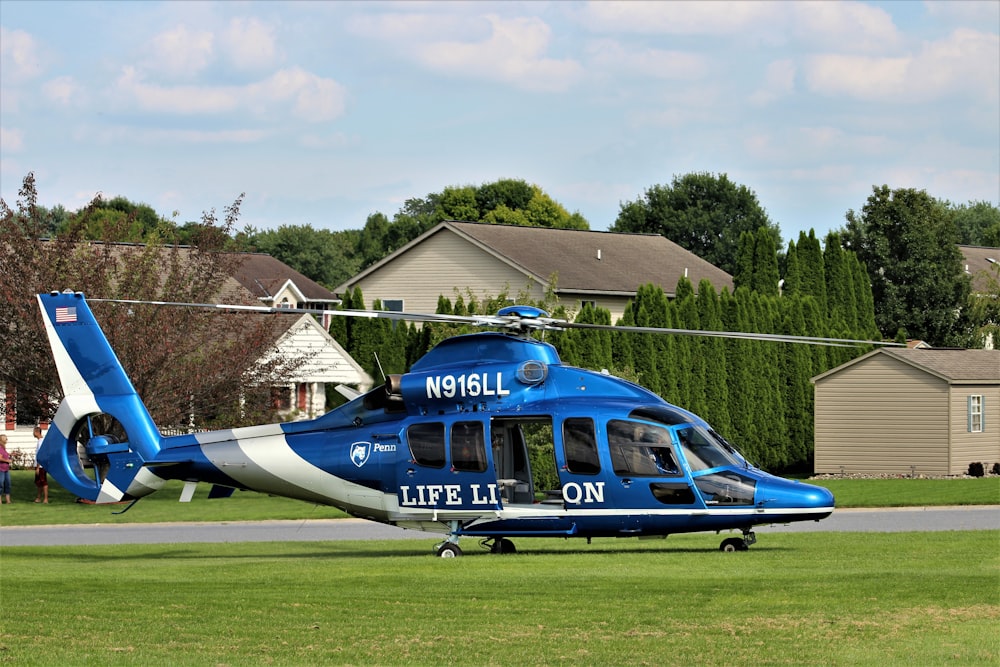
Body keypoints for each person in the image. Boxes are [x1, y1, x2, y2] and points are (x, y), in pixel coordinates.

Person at [33, 426, 49, 503]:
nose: (33, 434)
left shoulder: (41, 442)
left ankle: (45, 499)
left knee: (43, 481)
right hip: (38, 465)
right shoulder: (40, 441)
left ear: (37, 432)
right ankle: (38, 498)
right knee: (38, 482)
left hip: (41, 466)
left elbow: (41, 454)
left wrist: (38, 467)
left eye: (34, 432)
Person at [0, 434, 12, 504]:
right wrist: (8, 461)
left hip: (6, 469)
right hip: (1, 469)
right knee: (1, 484)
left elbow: (5, 455)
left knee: (8, 484)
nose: (7, 440)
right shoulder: (0, 448)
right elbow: (0, 458)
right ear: (2, 440)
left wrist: (11, 454)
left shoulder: (4, 448)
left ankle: (8, 500)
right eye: (6, 439)